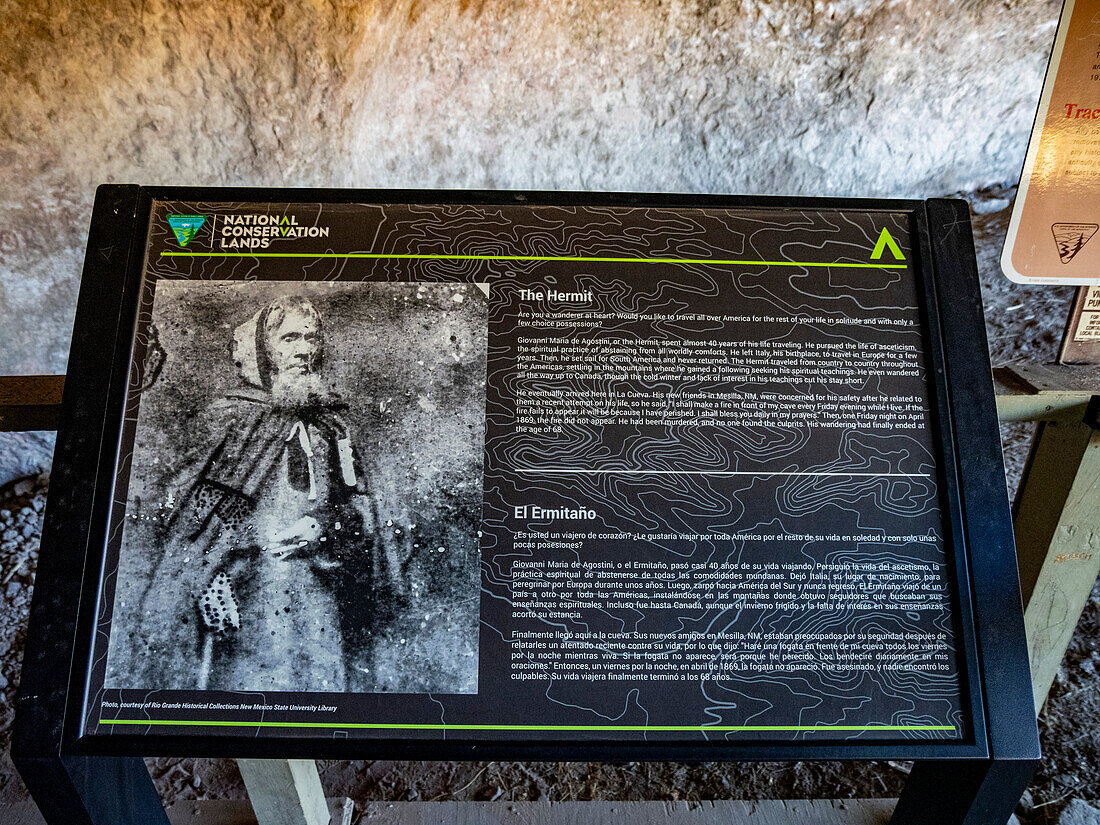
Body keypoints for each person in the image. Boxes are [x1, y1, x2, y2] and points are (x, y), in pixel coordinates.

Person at [129, 295, 405, 692]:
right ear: (263, 348)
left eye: (312, 339)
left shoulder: (331, 427)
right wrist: (210, 576)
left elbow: (357, 508)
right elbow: (189, 512)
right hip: (245, 589)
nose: (305, 350)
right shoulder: (232, 419)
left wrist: (322, 526)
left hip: (317, 592)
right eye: (291, 338)